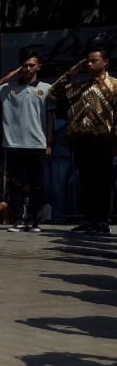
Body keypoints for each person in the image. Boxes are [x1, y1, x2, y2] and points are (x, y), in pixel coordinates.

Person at [0, 49, 55, 233]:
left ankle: (33, 220)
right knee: (15, 184)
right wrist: (6, 78)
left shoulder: (46, 88)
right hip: (13, 144)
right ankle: (18, 219)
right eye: (25, 65)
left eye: (31, 65)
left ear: (38, 67)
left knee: (36, 184)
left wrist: (49, 143)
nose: (28, 69)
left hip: (37, 143)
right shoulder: (7, 88)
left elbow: (50, 117)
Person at [49, 47, 117, 234]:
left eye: (93, 60)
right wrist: (74, 70)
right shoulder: (79, 86)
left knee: (102, 182)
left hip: (104, 140)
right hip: (80, 140)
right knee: (85, 181)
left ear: (105, 62)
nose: (89, 64)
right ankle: (88, 220)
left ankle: (102, 221)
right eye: (87, 60)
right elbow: (54, 92)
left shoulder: (114, 85)